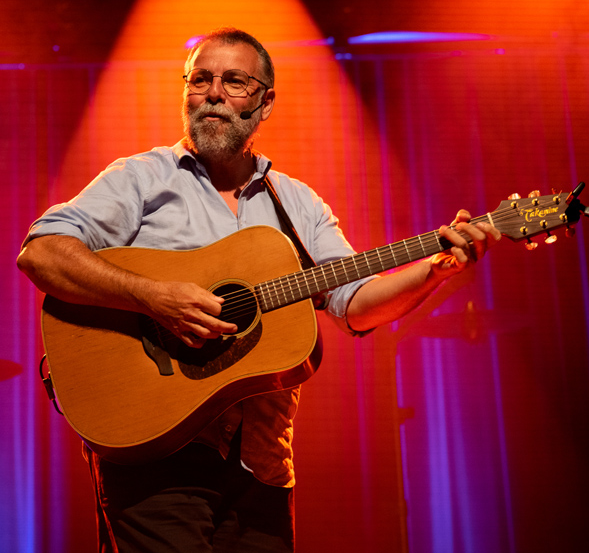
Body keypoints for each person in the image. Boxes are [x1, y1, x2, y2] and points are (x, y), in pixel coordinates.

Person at [17, 27, 500, 552]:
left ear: (265, 103)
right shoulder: (142, 178)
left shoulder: (297, 202)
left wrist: (435, 269)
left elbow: (355, 306)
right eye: (199, 79)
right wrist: (152, 297)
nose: (213, 93)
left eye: (234, 81)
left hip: (262, 464)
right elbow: (41, 253)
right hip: (155, 454)